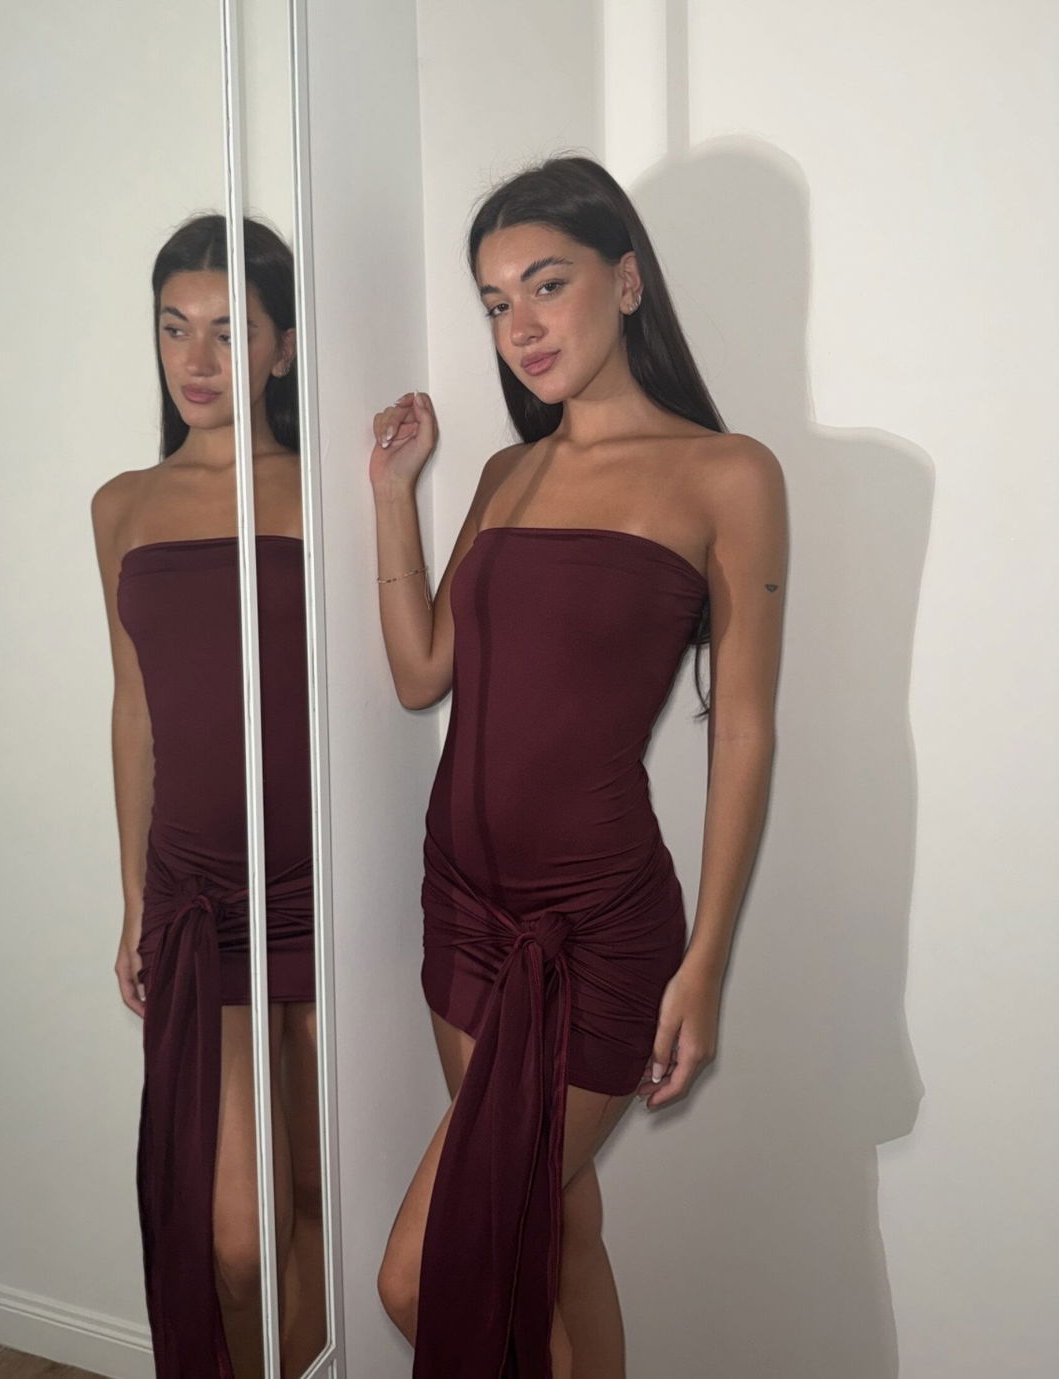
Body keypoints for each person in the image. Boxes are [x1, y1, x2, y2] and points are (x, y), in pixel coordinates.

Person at [369, 155, 787, 1378]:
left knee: (418, 1275)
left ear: (628, 279)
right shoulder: (507, 473)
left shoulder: (728, 473)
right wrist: (392, 495)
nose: (521, 327)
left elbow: (744, 728)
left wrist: (706, 962)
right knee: (558, 1234)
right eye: (496, 302)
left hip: (597, 931)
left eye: (547, 285)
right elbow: (422, 669)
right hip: (463, 909)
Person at [91, 214, 324, 1379]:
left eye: (230, 331)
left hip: (325, 889)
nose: (197, 358)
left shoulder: (324, 491)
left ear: (282, 347)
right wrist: (135, 898)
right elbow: (133, 709)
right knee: (238, 1237)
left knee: (329, 1198)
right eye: (175, 327)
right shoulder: (122, 505)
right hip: (197, 900)